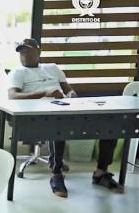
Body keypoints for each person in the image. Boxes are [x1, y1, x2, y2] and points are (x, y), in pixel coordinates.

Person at [8, 38, 124, 197]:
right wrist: (44, 93)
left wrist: (71, 95)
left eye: (27, 50)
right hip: (38, 115)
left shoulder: (52, 68)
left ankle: (101, 172)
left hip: (64, 108)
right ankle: (56, 174)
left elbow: (68, 89)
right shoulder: (18, 72)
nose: (24, 54)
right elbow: (13, 96)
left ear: (38, 51)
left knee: (109, 122)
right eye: (21, 51)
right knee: (58, 125)